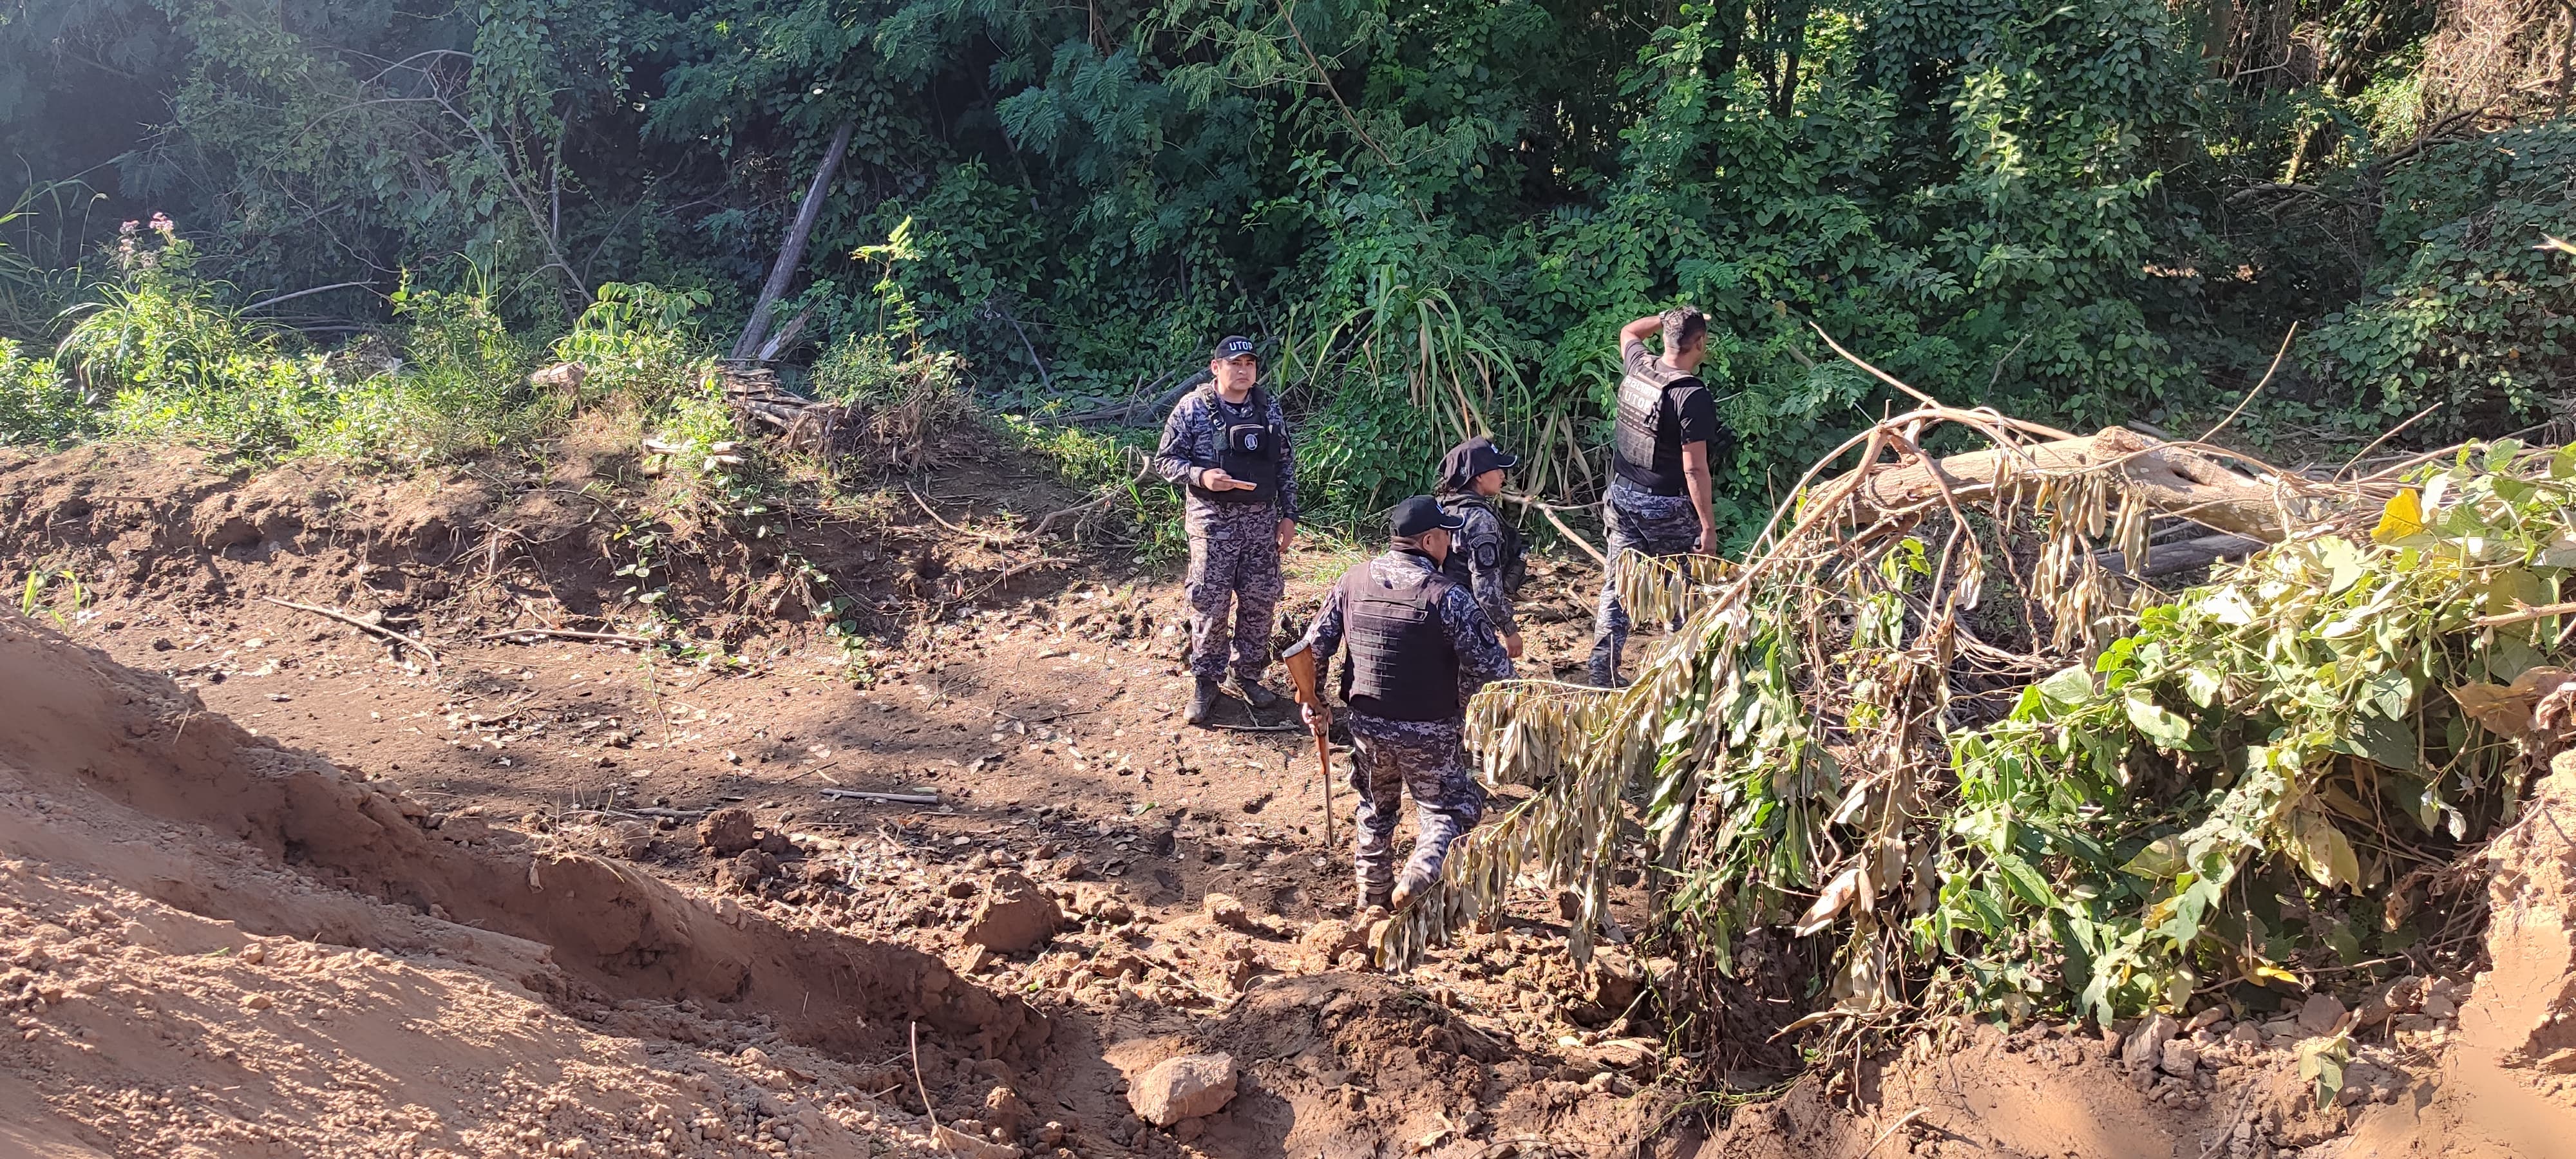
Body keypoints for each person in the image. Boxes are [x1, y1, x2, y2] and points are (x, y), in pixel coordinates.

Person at [1291, 496, 1515, 911]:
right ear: (1429, 540)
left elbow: (1310, 648)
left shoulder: (1352, 582)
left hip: (1367, 725)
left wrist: (1313, 699)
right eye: (1446, 535)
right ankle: (1421, 871)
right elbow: (1495, 670)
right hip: (1430, 727)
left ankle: (1372, 895)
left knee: (1375, 807)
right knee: (1452, 808)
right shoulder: (1449, 597)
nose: (1450, 543)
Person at [1155, 335, 1299, 726]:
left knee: (1260, 601)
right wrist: (1202, 476)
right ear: (1216, 368)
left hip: (1260, 523)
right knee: (1210, 603)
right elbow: (1165, 461)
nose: (1243, 370)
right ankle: (1206, 683)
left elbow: (1284, 464)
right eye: (1234, 363)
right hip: (1212, 521)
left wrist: (1289, 517)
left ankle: (1248, 675)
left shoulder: (1268, 409)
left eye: (1249, 364)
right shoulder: (1194, 408)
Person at [1588, 307, 1725, 686]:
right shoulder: (1690, 395)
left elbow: (1628, 329)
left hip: (1622, 496)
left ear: (1664, 338)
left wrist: (1663, 317)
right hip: (1666, 506)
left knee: (1618, 585)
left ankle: (1602, 671)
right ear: (1700, 343)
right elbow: (1695, 469)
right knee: (1680, 589)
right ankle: (1678, 675)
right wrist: (1707, 526)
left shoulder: (1640, 367)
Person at [1434, 436, 1526, 661]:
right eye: (1497, 469)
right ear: (1479, 476)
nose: (1503, 475)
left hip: (1436, 612)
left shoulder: (1442, 506)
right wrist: (1509, 630)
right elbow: (1486, 590)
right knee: (1500, 688)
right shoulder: (1480, 521)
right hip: (1466, 618)